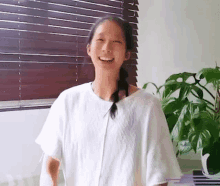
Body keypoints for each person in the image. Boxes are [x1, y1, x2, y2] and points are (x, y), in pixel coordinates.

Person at [35, 15, 183, 186]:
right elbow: (51, 162)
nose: (107, 48)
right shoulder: (68, 101)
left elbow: (159, 175)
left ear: (127, 53)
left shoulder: (148, 106)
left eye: (116, 42)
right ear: (89, 48)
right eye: (101, 40)